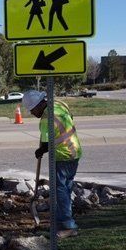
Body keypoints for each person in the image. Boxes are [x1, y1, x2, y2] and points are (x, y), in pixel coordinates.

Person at [22, 90, 82, 238]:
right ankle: (63, 221)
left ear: (39, 105)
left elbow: (46, 143)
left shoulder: (45, 118)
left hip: (63, 155)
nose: (31, 113)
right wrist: (44, 147)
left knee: (60, 190)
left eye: (32, 110)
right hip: (75, 151)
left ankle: (68, 226)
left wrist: (40, 150)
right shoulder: (59, 105)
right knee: (66, 188)